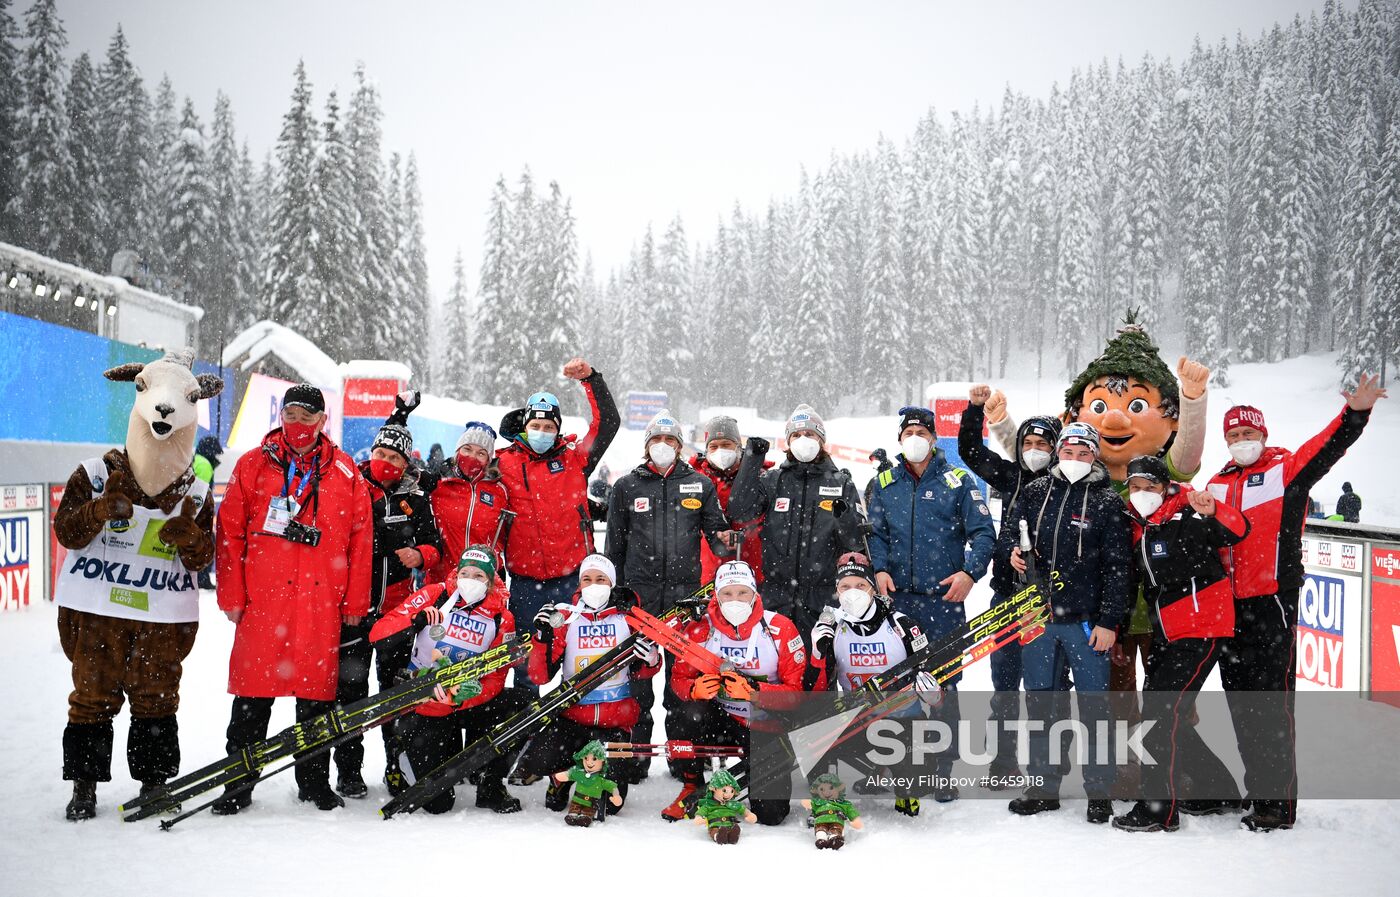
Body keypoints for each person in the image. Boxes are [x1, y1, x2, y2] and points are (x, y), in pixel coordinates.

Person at [1206, 375, 1385, 832]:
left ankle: (1277, 805)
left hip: (1272, 605)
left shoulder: (1286, 470)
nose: (1241, 441)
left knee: (1271, 707)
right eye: (1233, 435)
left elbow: (1328, 447)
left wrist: (1355, 413)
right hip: (1229, 611)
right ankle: (1258, 790)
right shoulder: (1217, 482)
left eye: (1248, 433)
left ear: (1263, 434)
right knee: (1241, 707)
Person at [52, 349, 221, 820]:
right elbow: (66, 531)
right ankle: (84, 786)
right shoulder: (96, 475)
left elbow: (203, 559)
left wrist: (191, 539)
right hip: (99, 614)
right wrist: (98, 510)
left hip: (159, 620)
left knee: (157, 698)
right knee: (91, 696)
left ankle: (154, 782)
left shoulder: (195, 493)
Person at [213, 384, 373, 813]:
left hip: (320, 603)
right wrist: (231, 594)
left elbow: (361, 542)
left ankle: (314, 782)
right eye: (291, 415)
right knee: (252, 700)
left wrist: (355, 602)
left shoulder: (345, 472)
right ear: (281, 417)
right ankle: (237, 783)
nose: (298, 424)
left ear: (322, 420)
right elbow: (229, 533)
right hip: (263, 602)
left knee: (316, 702)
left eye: (307, 417)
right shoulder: (252, 465)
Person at [1112, 456, 1250, 833]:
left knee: (1161, 712)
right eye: (1135, 487)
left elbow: (1237, 531)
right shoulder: (1139, 525)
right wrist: (1121, 632)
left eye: (1150, 487)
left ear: (1165, 487)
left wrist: (1214, 510)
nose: (1142, 494)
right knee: (1168, 712)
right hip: (1168, 632)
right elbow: (1133, 584)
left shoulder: (1187, 512)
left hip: (1202, 626)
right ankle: (1216, 789)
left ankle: (1158, 810)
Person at [867, 404, 996, 799]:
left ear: (934, 439)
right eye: (908, 434)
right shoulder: (885, 482)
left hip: (943, 601)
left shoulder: (957, 481)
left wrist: (970, 573)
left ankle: (943, 768)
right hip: (897, 602)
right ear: (899, 439)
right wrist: (880, 569)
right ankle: (892, 761)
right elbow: (875, 533)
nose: (915, 440)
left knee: (944, 685)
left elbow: (984, 533)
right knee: (892, 684)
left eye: (921, 433)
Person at [1008, 421, 1130, 824]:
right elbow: (1010, 534)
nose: (1075, 459)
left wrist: (1109, 620)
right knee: (1042, 703)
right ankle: (1044, 787)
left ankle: (1099, 791)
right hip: (1038, 618)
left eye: (1083, 453)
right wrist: (1012, 553)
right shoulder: (1035, 491)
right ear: (1058, 452)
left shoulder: (1108, 502)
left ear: (1094, 456)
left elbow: (1118, 567)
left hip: (1086, 622)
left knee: (1095, 707)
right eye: (1068, 452)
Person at [605, 411, 729, 778]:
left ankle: (683, 756)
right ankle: (637, 757)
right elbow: (614, 545)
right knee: (638, 680)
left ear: (679, 446)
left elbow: (718, 537)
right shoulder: (626, 486)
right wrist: (616, 589)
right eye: (657, 440)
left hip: (684, 600)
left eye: (670, 440)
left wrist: (726, 540)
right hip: (639, 598)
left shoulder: (699, 484)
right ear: (647, 446)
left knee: (682, 683)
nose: (664, 446)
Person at [333, 394, 444, 798]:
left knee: (395, 695)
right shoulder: (353, 487)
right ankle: (349, 771)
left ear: (405, 462)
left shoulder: (415, 497)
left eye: (394, 458)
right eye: (381, 453)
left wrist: (421, 554)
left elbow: (435, 546)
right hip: (354, 610)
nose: (386, 462)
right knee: (350, 695)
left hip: (397, 612)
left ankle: (396, 767)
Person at [368, 546, 528, 814]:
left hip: (461, 701)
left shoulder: (501, 616)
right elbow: (378, 634)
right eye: (465, 573)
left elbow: (496, 678)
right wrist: (415, 620)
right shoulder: (434, 593)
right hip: (425, 705)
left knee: (525, 704)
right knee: (438, 805)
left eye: (478, 576)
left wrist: (460, 699)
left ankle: (490, 784)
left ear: (490, 581)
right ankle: (402, 754)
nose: (470, 580)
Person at [495, 357, 620, 692]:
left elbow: (608, 423)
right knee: (527, 664)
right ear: (525, 426)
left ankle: (575, 720)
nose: (542, 432)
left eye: (549, 427)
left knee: (578, 658)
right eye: (536, 425)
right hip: (525, 583)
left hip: (572, 580)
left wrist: (591, 380)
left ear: (558, 429)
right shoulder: (503, 463)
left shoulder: (575, 458)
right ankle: (526, 722)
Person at [959, 386, 1062, 782]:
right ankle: (1003, 760)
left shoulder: (1067, 483)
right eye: (1028, 444)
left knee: (1049, 685)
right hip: (1007, 596)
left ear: (1055, 448)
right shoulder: (1011, 475)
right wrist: (975, 410)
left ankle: (1050, 762)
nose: (1034, 450)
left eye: (1042, 444)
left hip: (1052, 603)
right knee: (1004, 683)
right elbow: (971, 451)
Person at [663, 561, 806, 824]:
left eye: (742, 592)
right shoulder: (700, 629)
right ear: (716, 596)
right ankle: (692, 783)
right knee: (687, 713)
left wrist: (755, 692)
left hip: (765, 723)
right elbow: (679, 679)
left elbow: (796, 695)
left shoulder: (780, 628)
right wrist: (694, 689)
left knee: (771, 815)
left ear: (754, 593)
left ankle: (760, 774)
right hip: (721, 718)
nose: (735, 600)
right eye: (727, 593)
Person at [513, 554, 662, 800]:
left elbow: (644, 670)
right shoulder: (566, 618)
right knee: (540, 761)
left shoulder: (628, 617)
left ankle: (589, 774)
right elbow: (540, 677)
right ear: (579, 584)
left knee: (611, 803)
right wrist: (542, 637)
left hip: (614, 722)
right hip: (572, 719)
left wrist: (652, 659)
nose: (593, 585)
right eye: (587, 579)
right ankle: (562, 777)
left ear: (612, 583)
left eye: (600, 579)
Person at [806, 554, 938, 815]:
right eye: (845, 587)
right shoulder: (833, 627)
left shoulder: (901, 625)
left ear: (873, 588)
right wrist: (817, 655)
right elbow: (816, 689)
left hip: (902, 719)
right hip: (858, 719)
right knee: (813, 735)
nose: (852, 593)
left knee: (918, 776)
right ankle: (827, 799)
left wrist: (933, 692)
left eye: (860, 585)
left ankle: (903, 786)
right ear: (837, 591)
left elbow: (932, 677)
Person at [727, 404, 864, 637]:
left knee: (819, 658)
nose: (803, 439)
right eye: (796, 435)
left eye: (809, 434)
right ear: (788, 441)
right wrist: (752, 460)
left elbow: (855, 542)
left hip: (823, 597)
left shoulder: (840, 483)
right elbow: (739, 511)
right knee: (776, 658)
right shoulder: (774, 480)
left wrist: (844, 518)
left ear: (821, 440)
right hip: (776, 595)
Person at [426, 421, 510, 586]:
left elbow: (504, 537)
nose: (472, 457)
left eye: (481, 453)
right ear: (458, 451)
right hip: (441, 581)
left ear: (488, 459)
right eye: (467, 449)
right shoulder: (438, 484)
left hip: (482, 583)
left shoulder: (499, 491)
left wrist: (495, 560)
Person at [691, 414, 768, 585]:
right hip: (707, 576)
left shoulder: (760, 477)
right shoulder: (694, 480)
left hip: (752, 574)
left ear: (738, 447)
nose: (720, 451)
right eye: (714, 446)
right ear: (707, 450)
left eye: (726, 444)